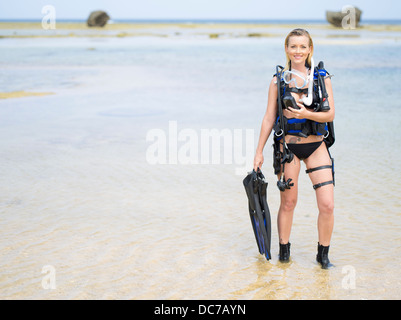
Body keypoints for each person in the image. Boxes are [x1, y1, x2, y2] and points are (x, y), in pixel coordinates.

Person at [253, 28, 335, 269]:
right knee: (288, 203)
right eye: (293, 46)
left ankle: (323, 257)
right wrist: (258, 152)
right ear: (286, 49)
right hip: (288, 147)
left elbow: (330, 114)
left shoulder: (322, 78)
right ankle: (284, 255)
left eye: (302, 46)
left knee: (327, 204)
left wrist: (307, 113)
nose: (297, 51)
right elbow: (269, 118)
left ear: (310, 49)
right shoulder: (277, 81)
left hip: (316, 146)